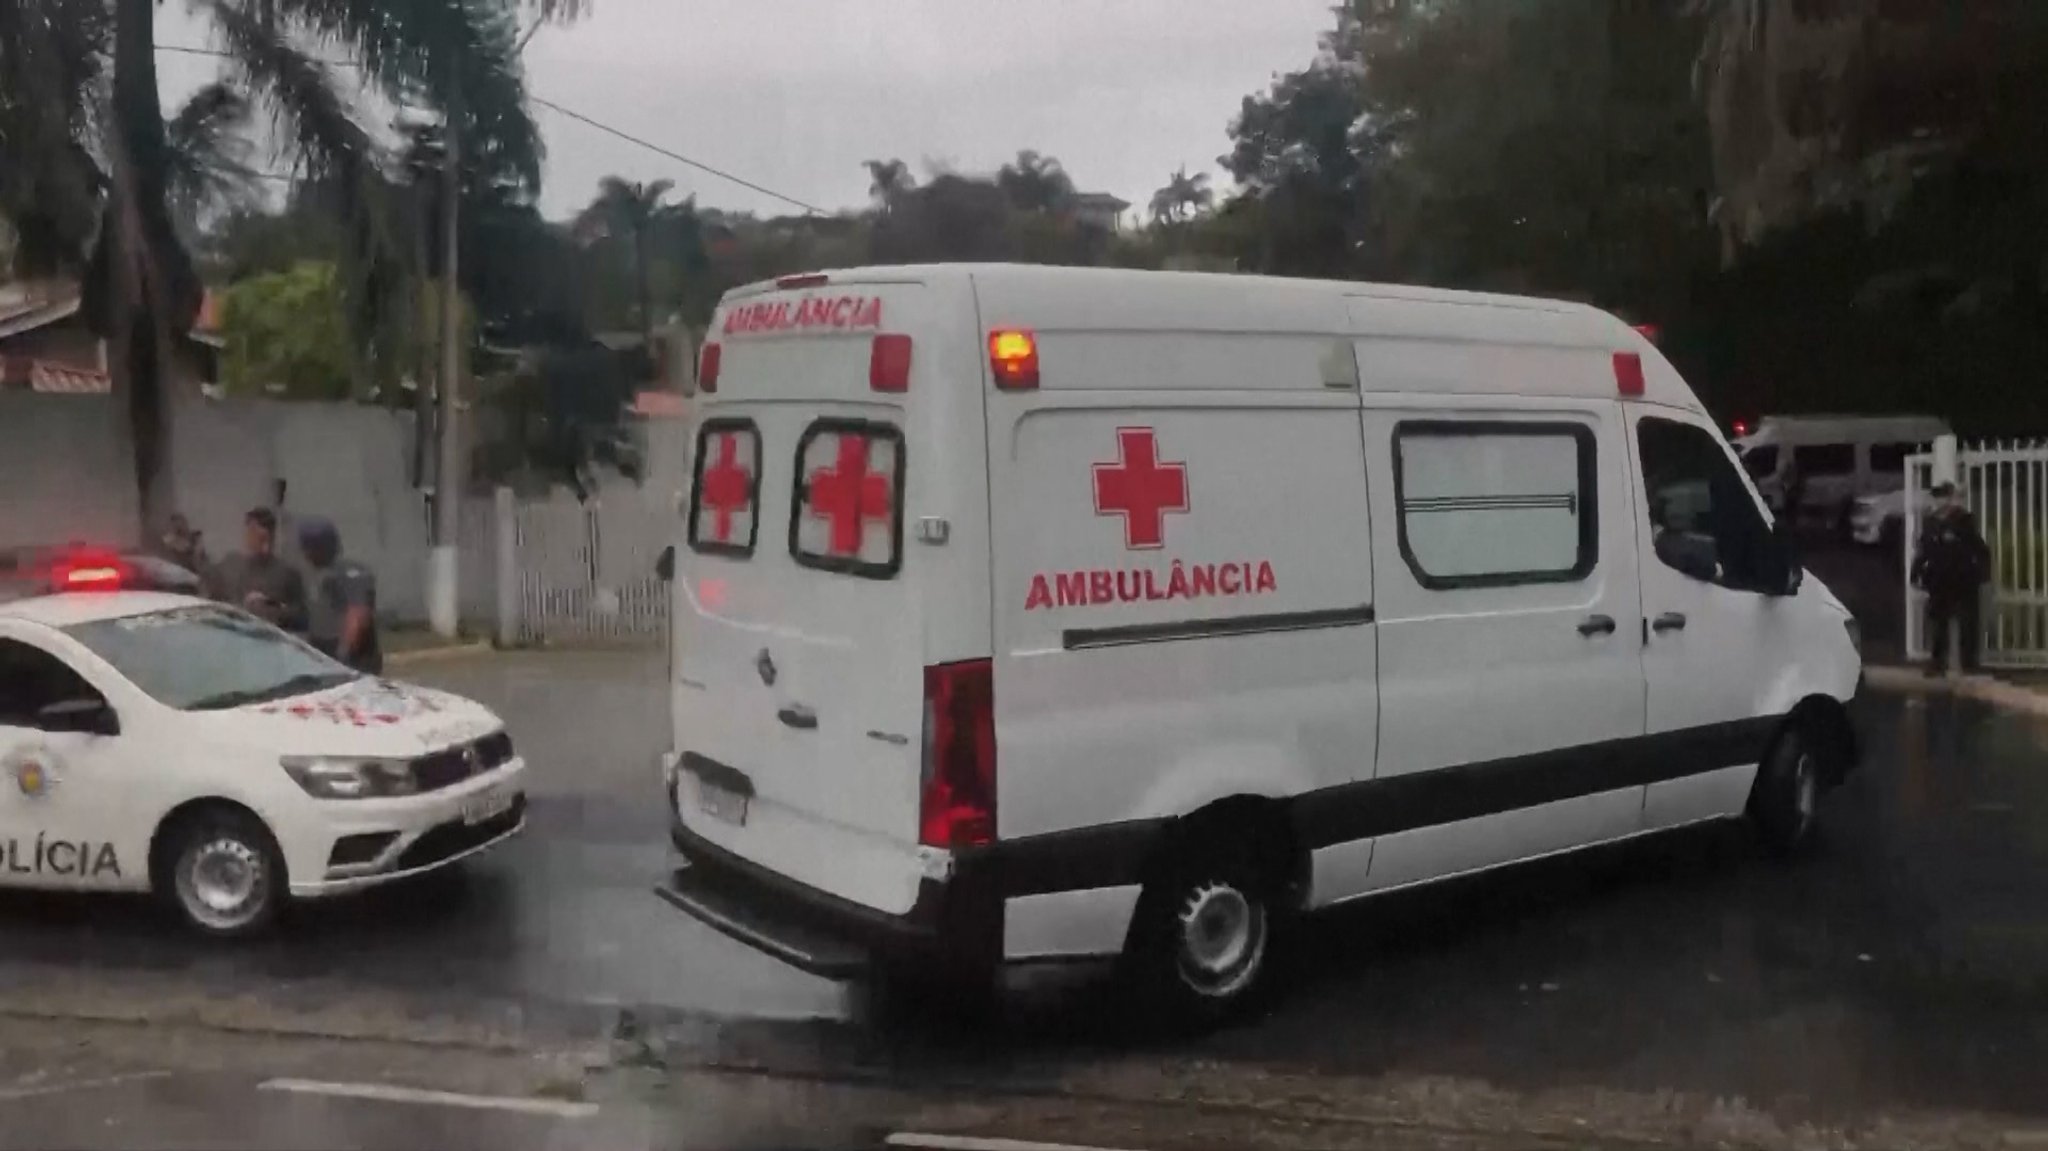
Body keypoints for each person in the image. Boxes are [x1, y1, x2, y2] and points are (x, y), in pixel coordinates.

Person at [1912, 482, 1991, 676]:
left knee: (1967, 623)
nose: (1941, 501)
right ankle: (1938, 663)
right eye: (1937, 497)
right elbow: (1923, 551)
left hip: (1963, 579)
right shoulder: (1930, 522)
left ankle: (1969, 664)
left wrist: (1983, 572)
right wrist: (1915, 574)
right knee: (1938, 624)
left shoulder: (1964, 521)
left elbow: (1980, 549)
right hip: (1938, 581)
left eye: (1945, 497)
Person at [298, 517, 382, 674]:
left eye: (310, 547)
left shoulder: (350, 572)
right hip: (322, 653)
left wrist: (343, 656)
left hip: (353, 659)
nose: (306, 553)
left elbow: (357, 615)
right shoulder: (314, 575)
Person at [209, 507, 309, 635]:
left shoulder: (287, 573)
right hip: (233, 635)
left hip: (268, 640)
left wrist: (273, 608)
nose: (259, 542)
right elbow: (212, 602)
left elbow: (301, 616)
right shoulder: (230, 565)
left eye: (264, 538)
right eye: (253, 533)